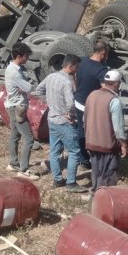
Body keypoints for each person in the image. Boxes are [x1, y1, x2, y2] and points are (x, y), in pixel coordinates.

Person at [35, 54, 87, 193]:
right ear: (70, 66)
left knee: (55, 152)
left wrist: (49, 103)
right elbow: (71, 104)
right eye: (77, 67)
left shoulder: (51, 76)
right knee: (75, 152)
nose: (77, 70)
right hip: (64, 122)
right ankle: (71, 182)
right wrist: (70, 115)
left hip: (52, 119)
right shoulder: (66, 82)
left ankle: (57, 180)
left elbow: (38, 90)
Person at [84, 69, 128, 191]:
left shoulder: (92, 95)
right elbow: (118, 128)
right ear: (115, 83)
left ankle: (95, 195)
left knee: (96, 171)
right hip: (107, 145)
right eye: (119, 83)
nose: (120, 85)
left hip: (91, 142)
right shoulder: (114, 101)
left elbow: (85, 119)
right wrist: (124, 145)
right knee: (108, 174)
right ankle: (106, 200)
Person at [4, 42, 39, 180]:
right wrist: (36, 86)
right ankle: (24, 170)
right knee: (29, 138)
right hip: (17, 108)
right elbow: (29, 88)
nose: (27, 59)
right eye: (26, 56)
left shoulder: (12, 68)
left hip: (11, 106)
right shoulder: (15, 72)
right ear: (19, 56)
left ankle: (13, 163)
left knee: (15, 135)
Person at [74, 39, 109, 169]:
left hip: (78, 101)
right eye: (107, 55)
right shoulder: (101, 70)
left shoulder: (82, 61)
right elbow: (106, 90)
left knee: (79, 129)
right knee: (89, 132)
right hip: (89, 107)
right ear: (103, 53)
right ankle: (86, 159)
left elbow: (74, 76)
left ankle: (82, 157)